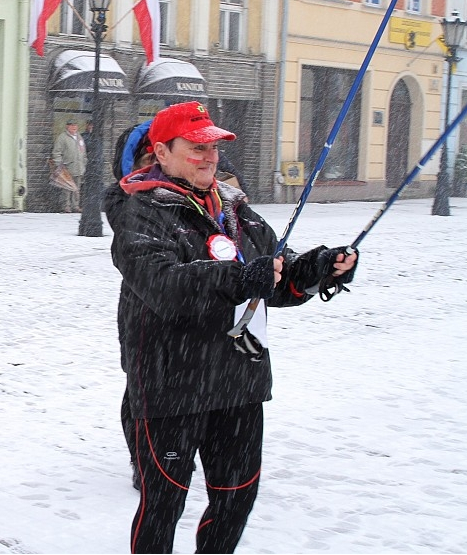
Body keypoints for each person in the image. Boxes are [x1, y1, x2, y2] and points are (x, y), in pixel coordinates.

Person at [105, 101, 358, 554]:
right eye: (196, 147)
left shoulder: (235, 208)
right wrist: (239, 277)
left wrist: (318, 268)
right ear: (161, 152)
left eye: (215, 148)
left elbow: (276, 278)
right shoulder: (139, 211)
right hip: (171, 385)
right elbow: (162, 286)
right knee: (163, 504)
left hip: (239, 380)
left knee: (236, 499)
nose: (209, 157)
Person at [51, 120, 87, 212]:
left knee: (76, 188)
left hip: (79, 167)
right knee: (66, 188)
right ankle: (66, 206)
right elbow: (57, 152)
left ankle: (75, 206)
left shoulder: (79, 137)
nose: (74, 127)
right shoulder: (62, 138)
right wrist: (59, 164)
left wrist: (84, 162)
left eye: (75, 125)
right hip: (67, 167)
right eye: (71, 125)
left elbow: (83, 151)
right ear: (67, 127)